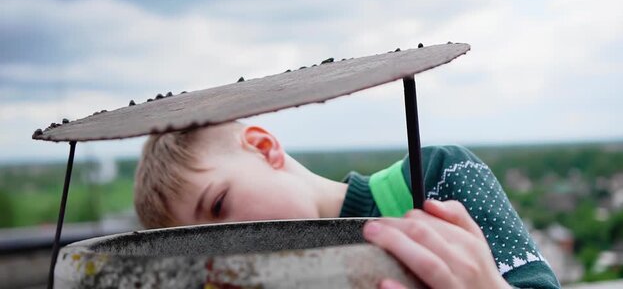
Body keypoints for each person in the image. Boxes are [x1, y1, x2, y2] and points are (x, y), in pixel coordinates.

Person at [134, 121, 560, 289]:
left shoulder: (434, 179)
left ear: (264, 148)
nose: (226, 242)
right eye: (204, 243)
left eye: (219, 204)